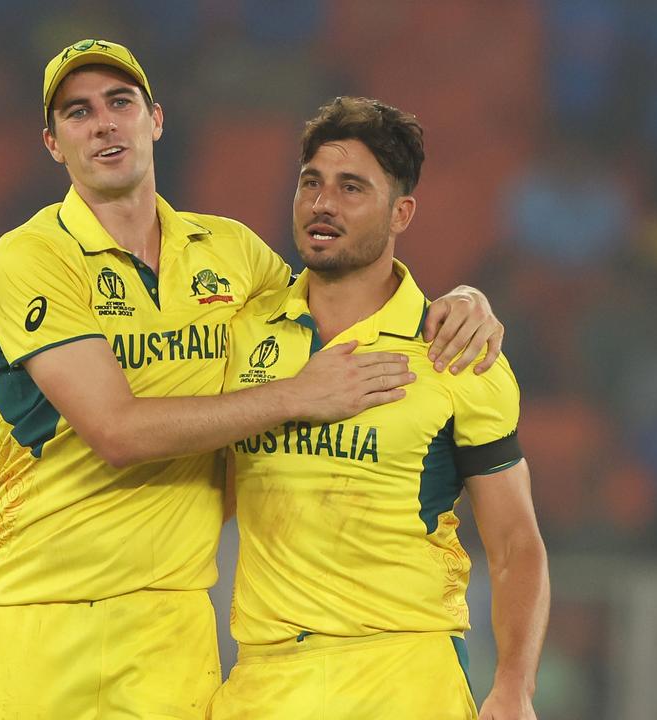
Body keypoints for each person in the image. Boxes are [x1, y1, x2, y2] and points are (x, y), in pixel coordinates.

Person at [0, 40, 507, 719]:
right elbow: (116, 430)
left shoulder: (230, 253)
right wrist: (293, 395)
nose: (104, 123)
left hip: (173, 624)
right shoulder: (29, 259)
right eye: (78, 113)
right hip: (38, 612)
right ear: (52, 142)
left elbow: (348, 297)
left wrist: (462, 302)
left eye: (120, 102)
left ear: (155, 120)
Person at [210, 97, 549, 720]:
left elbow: (514, 542)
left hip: (404, 678)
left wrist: (514, 686)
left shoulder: (454, 353)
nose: (322, 204)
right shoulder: (241, 334)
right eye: (310, 183)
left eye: (350, 188)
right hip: (263, 681)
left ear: (402, 213)